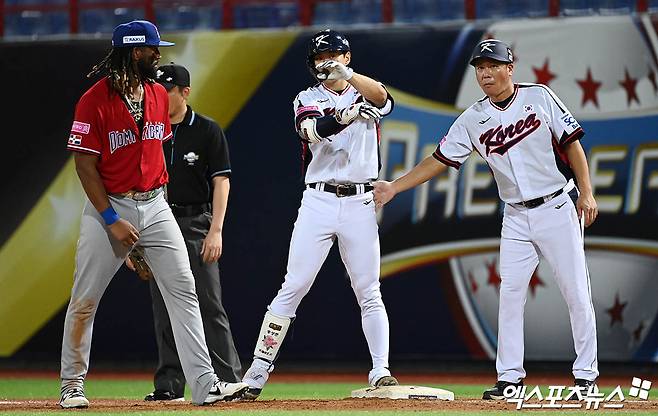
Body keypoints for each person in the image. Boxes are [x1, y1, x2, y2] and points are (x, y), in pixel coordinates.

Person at [373, 39, 599, 400]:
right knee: (509, 296)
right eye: (480, 68)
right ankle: (510, 379)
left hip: (556, 206)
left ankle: (586, 378)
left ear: (510, 68)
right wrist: (394, 188)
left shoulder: (539, 97)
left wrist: (586, 191)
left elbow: (572, 143)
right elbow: (439, 160)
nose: (485, 73)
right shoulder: (473, 118)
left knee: (576, 292)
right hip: (515, 216)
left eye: (492, 65)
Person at [59, 20, 247, 409]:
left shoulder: (158, 95)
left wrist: (147, 228)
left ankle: (204, 383)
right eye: (151, 49)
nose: (158, 54)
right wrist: (112, 221)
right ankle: (72, 383)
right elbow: (84, 166)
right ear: (132, 51)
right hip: (110, 207)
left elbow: (154, 152)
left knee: (184, 292)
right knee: (85, 300)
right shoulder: (94, 100)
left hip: (156, 204)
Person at [240, 29, 398, 400]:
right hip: (320, 200)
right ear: (312, 66)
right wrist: (345, 114)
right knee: (294, 286)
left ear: (346, 56)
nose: (326, 61)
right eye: (319, 58)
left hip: (360, 200)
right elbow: (310, 131)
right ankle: (257, 372)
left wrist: (351, 80)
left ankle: (381, 370)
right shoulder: (307, 97)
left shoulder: (363, 88)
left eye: (333, 55)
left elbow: (385, 100)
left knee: (369, 289)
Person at [135, 63, 242, 401]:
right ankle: (169, 385)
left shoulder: (207, 130)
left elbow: (221, 180)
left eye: (167, 90)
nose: (161, 96)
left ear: (184, 92)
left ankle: (230, 379)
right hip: (156, 220)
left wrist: (216, 230)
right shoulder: (147, 130)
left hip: (195, 222)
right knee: (163, 304)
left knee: (209, 303)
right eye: (157, 89)